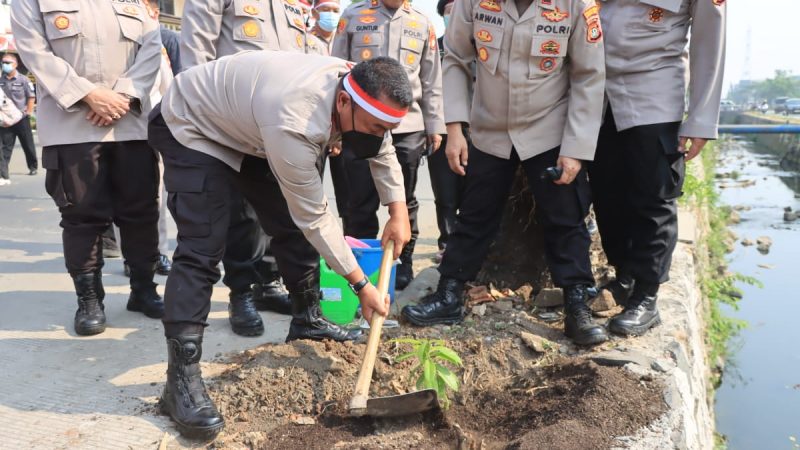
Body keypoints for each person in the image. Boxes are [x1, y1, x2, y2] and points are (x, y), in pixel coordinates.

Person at [149, 53, 411, 439]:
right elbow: (316, 217)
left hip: (250, 126)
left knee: (287, 226)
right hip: (195, 126)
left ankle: (308, 320)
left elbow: (382, 144)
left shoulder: (358, 87)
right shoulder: (295, 122)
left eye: (386, 127)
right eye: (373, 126)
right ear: (344, 102)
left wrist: (398, 210)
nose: (378, 134)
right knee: (203, 247)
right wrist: (361, 285)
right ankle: (181, 381)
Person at [402, 0, 608, 346]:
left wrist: (576, 148)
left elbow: (589, 76)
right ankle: (450, 293)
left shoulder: (577, 5)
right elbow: (454, 59)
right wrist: (455, 128)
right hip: (490, 129)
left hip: (550, 129)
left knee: (566, 218)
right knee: (473, 215)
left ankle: (576, 305)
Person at [11, 0, 164, 336]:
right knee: (81, 215)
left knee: (141, 212)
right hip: (72, 125)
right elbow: (33, 49)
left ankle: (143, 289)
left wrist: (122, 96)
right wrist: (88, 95)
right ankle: (90, 300)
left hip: (131, 122)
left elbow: (152, 47)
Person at [180, 0, 324, 337]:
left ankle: (268, 283)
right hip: (233, 122)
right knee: (241, 216)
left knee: (283, 212)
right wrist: (207, 118)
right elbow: (196, 53)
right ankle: (240, 293)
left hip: (285, 124)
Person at [589, 0, 726, 337]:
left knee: (654, 197)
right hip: (595, 90)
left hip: (654, 91)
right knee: (606, 193)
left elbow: (710, 42)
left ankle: (647, 296)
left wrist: (700, 119)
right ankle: (625, 275)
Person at [332, 0, 446, 290]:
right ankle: (358, 264)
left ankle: (402, 260)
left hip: (406, 128)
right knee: (358, 201)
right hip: (359, 125)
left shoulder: (422, 23)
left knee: (404, 200)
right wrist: (334, 133)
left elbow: (431, 80)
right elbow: (336, 70)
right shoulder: (353, 15)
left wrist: (435, 126)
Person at [428, 0, 465, 261]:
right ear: (442, 16)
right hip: (441, 131)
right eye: (448, 11)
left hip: (478, 129)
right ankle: (448, 243)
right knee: (445, 192)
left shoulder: (478, 45)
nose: (453, 15)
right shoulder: (433, 48)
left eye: (458, 9)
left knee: (476, 190)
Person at [0, 53, 37, 184]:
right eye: (3, 62)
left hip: (22, 117)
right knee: (5, 146)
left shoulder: (23, 80)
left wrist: (29, 112)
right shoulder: (1, 80)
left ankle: (33, 166)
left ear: (15, 64)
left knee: (27, 144)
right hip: (7, 119)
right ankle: (3, 173)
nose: (5, 65)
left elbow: (31, 96)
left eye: (8, 62)